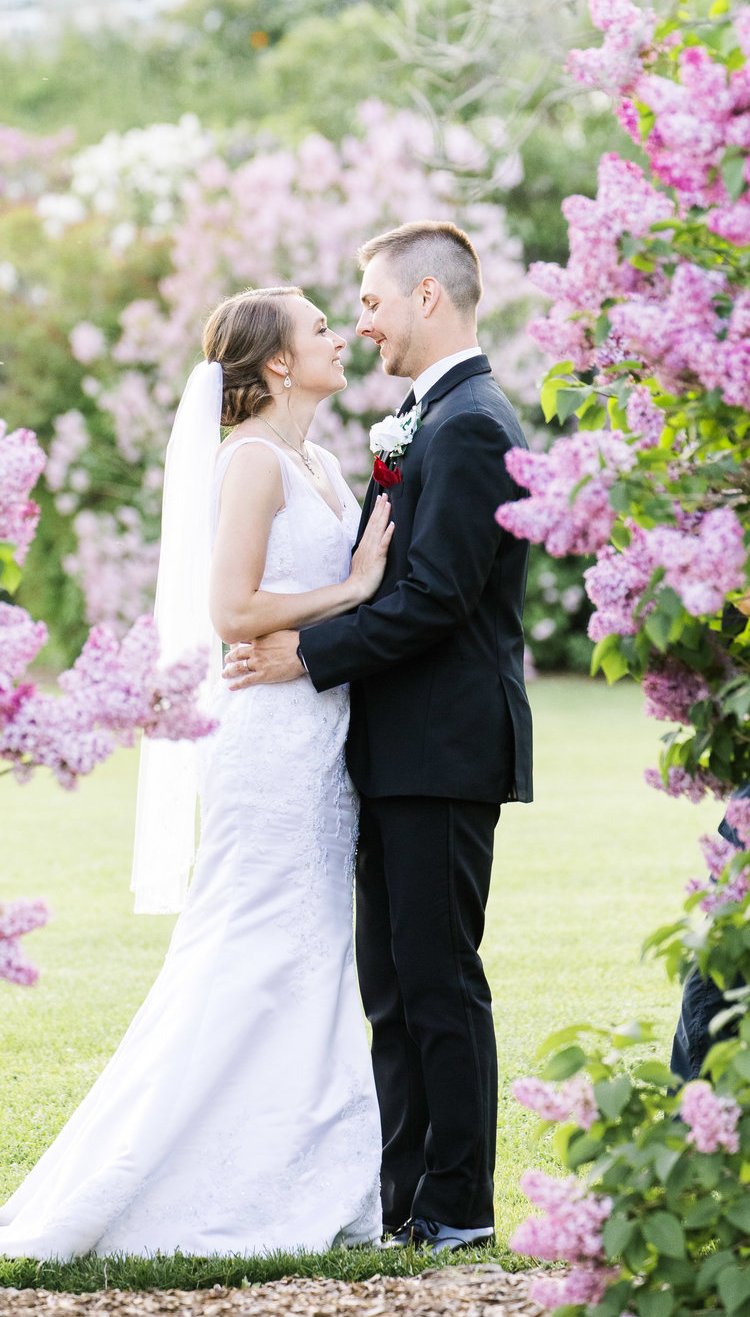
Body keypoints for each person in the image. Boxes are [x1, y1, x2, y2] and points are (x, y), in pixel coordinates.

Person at [0, 286, 393, 1258]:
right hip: (267, 740)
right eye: (321, 327)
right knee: (249, 953)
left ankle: (306, 1180)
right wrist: (358, 587)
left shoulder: (325, 462)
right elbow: (234, 612)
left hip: (322, 740)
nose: (340, 335)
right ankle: (153, 1183)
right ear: (278, 363)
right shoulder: (248, 462)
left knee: (316, 953)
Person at [224, 221, 532, 1253]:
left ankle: (458, 1203)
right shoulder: (422, 418)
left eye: (369, 300)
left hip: (443, 747)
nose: (362, 320)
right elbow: (393, 581)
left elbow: (440, 598)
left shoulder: (474, 424)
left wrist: (305, 656)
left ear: (427, 299)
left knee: (439, 980)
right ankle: (403, 1195)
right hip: (391, 747)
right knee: (393, 986)